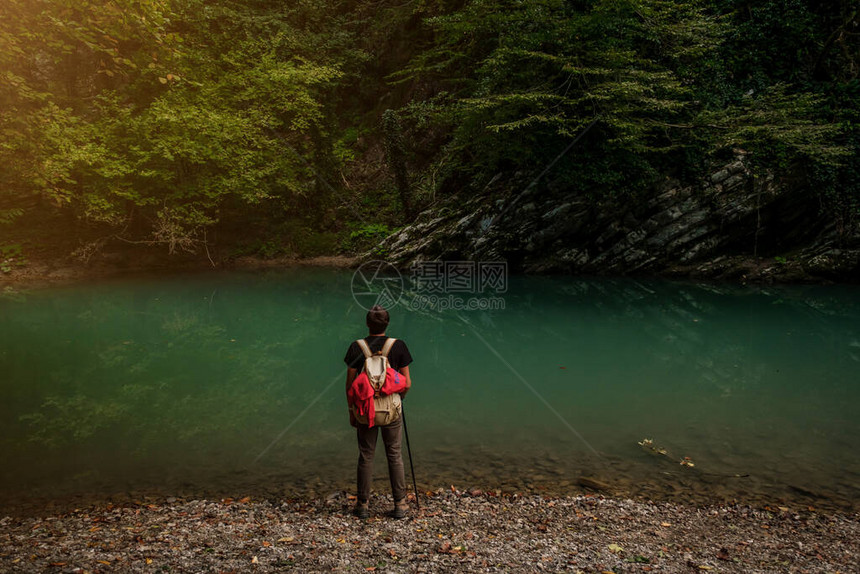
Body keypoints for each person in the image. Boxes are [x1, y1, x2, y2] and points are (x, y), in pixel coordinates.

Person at [344, 304, 413, 519]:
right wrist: (398, 399)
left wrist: (352, 411)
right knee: (394, 453)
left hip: (365, 409)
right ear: (387, 323)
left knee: (366, 455)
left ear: (367, 324)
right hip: (391, 409)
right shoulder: (398, 346)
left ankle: (363, 505)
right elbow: (407, 383)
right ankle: (400, 504)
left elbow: (350, 386)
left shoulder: (357, 347)